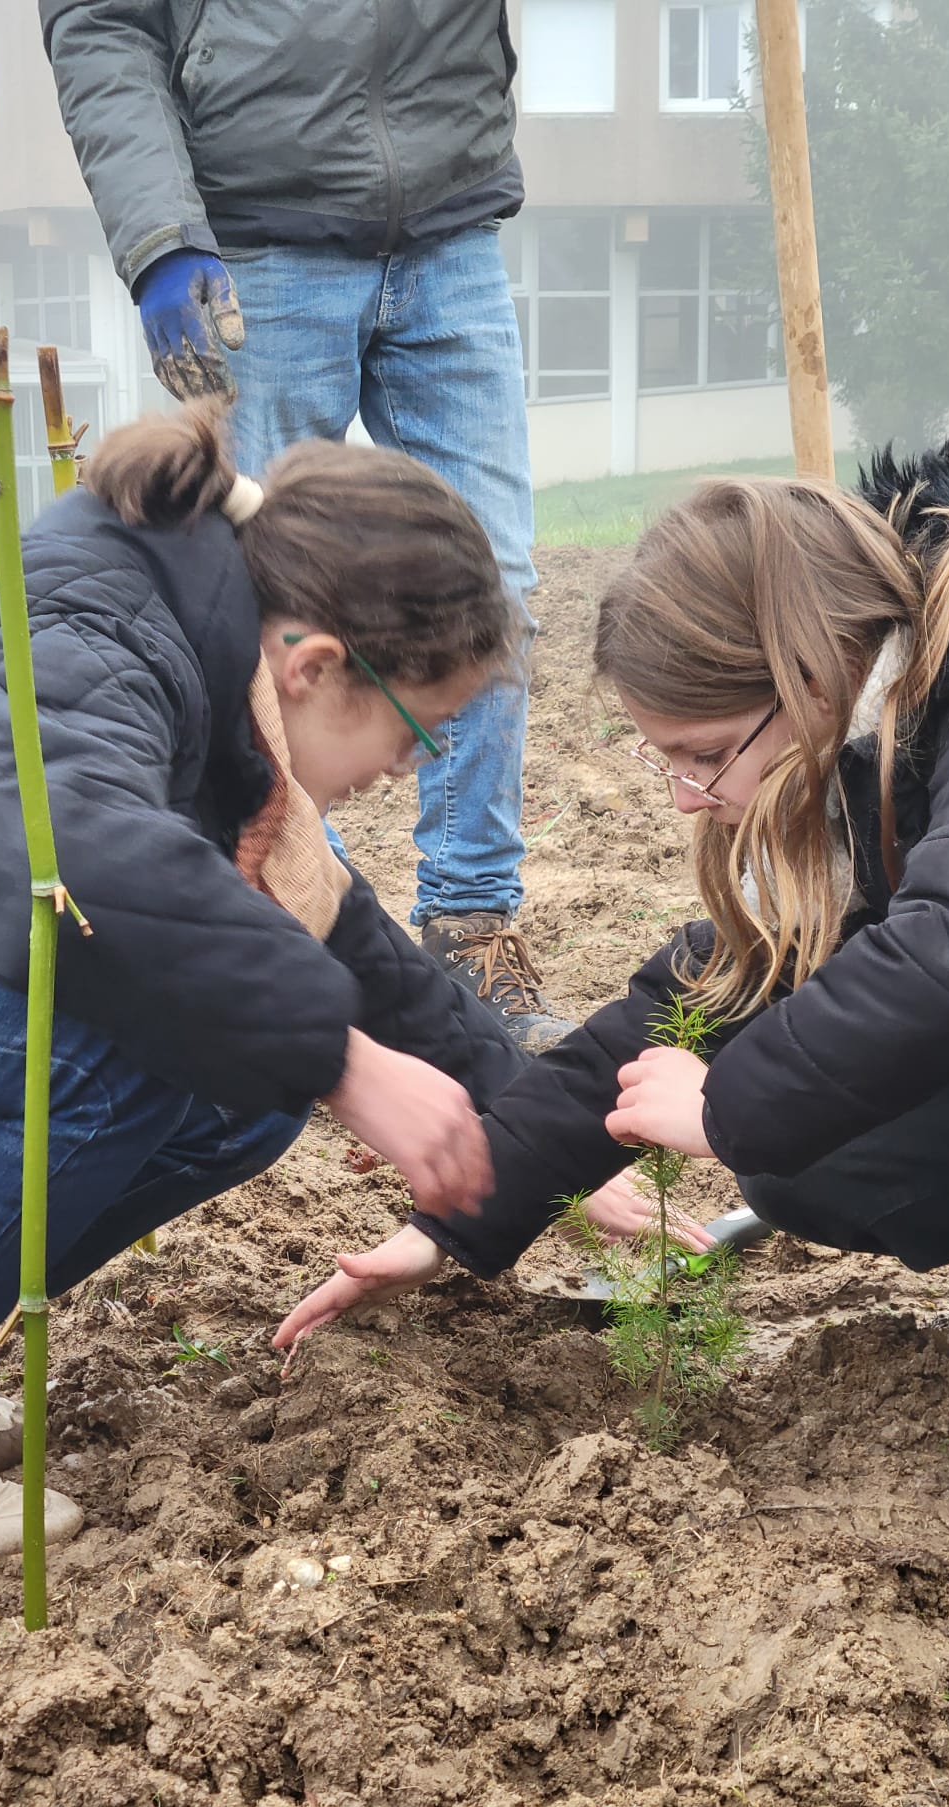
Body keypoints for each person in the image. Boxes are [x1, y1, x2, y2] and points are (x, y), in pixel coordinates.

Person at [0, 404, 580, 1573]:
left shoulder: (194, 654)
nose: (399, 774)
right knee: (117, 1026)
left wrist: (543, 1129)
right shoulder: (85, 630)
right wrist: (347, 1067)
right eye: (417, 736)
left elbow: (339, 939)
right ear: (314, 668)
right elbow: (61, 886)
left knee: (236, 1094)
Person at [277, 436, 949, 1533]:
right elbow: (701, 990)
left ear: (810, 679)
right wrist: (458, 1217)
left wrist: (725, 1106)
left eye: (704, 752)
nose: (687, 798)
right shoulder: (862, 730)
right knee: (816, 1159)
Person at [40, 0, 571, 1051]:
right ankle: (264, 927)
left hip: (451, 219)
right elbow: (102, 23)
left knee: (494, 589)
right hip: (257, 242)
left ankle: (468, 930)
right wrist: (158, 237)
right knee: (240, 599)